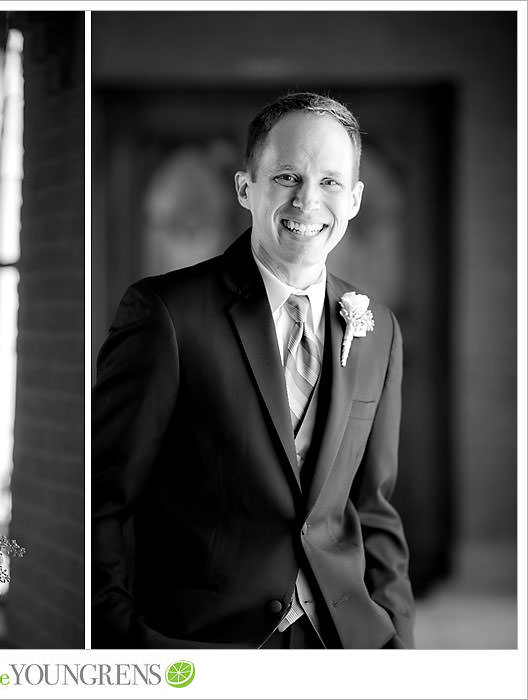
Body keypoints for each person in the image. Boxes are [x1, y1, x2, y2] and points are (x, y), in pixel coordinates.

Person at [92, 92, 415, 649]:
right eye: (288, 176)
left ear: (356, 199)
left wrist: (396, 643)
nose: (308, 201)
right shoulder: (165, 314)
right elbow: (107, 498)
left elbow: (373, 508)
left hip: (341, 641)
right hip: (198, 642)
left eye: (331, 183)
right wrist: (122, 636)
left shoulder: (377, 328)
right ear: (247, 187)